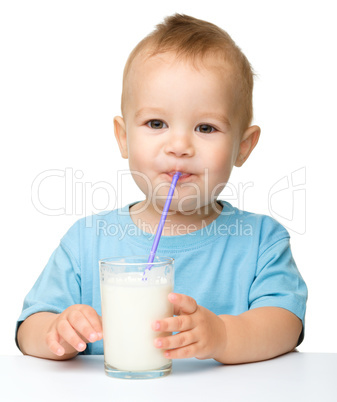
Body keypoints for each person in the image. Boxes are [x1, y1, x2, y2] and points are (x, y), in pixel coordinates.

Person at [16, 13, 307, 364]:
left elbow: (286, 323)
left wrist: (224, 336)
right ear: (124, 138)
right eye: (157, 123)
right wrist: (58, 332)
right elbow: (29, 329)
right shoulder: (87, 240)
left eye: (206, 127)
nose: (179, 145)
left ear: (243, 147)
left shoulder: (261, 241)